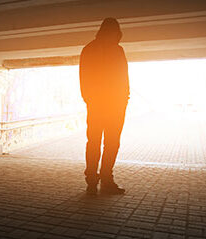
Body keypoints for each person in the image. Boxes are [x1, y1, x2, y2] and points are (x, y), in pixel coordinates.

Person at [79, 18, 130, 195]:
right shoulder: (105, 50)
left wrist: (124, 99)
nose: (116, 35)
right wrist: (123, 100)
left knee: (99, 143)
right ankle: (102, 180)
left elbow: (123, 78)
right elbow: (124, 79)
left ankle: (95, 180)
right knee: (108, 143)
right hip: (107, 105)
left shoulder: (93, 49)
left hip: (105, 106)